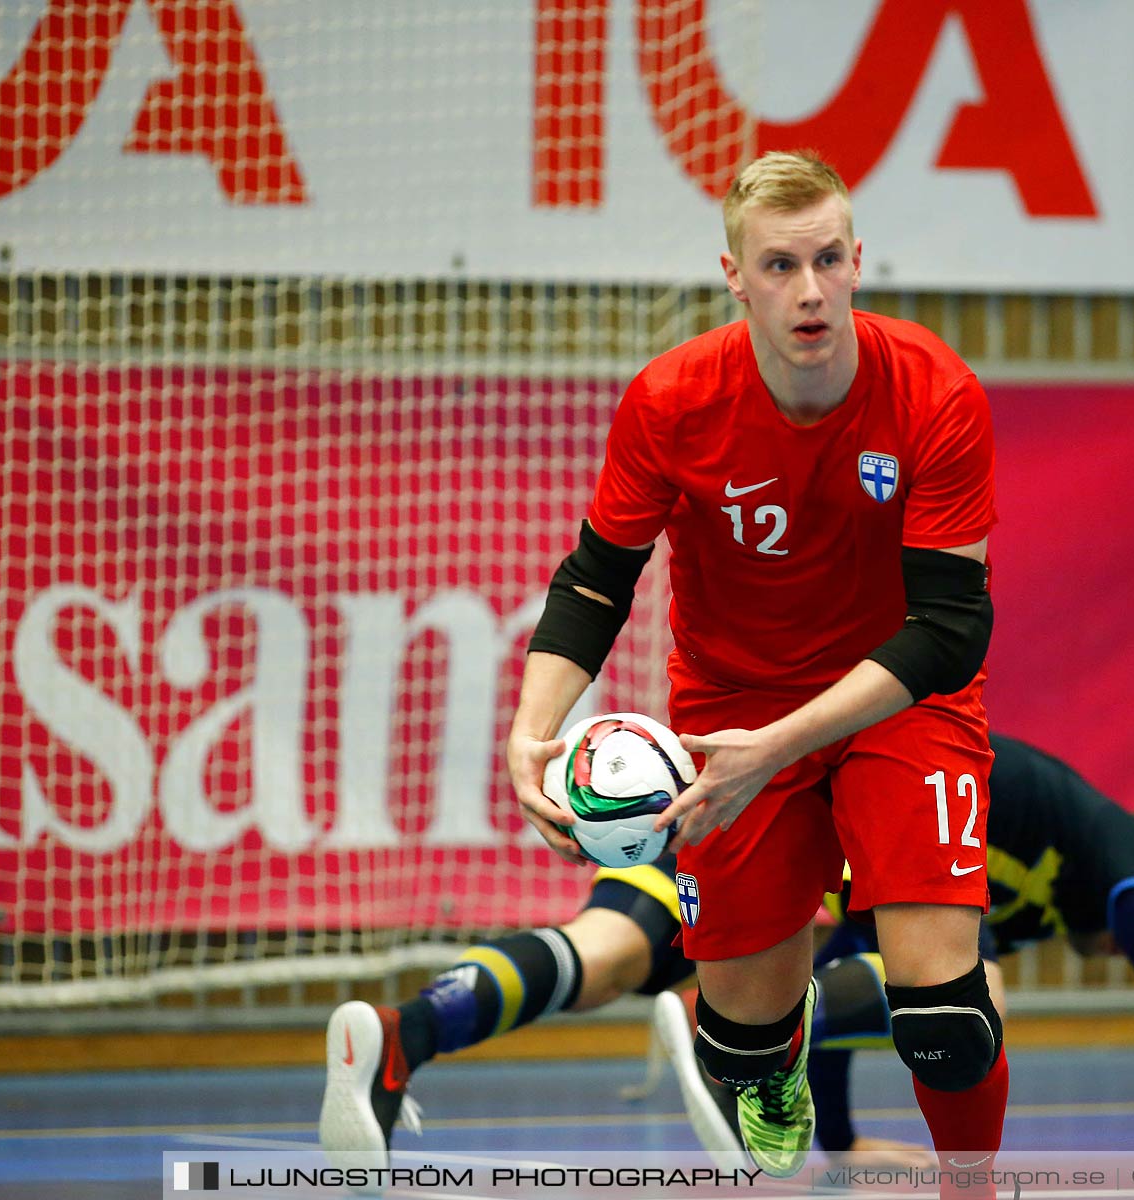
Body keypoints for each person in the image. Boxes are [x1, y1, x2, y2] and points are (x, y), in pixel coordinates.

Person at [328, 148, 1007, 1185]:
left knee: (945, 1016)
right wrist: (528, 735)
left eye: (828, 259)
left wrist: (776, 748)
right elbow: (597, 581)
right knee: (740, 1041)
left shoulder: (934, 391)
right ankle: (773, 1064)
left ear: (860, 260)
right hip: (728, 709)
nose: (810, 290)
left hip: (897, 700)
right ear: (735, 277)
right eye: (780, 266)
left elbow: (951, 628)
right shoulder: (673, 400)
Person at [317, 734, 1134, 1182]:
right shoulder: (1112, 851)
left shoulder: (1041, 896)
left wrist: (843, 1138)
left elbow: (860, 944)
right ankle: (714, 1025)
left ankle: (406, 1033)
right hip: (789, 846)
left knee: (597, 953)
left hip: (748, 844)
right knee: (979, 993)